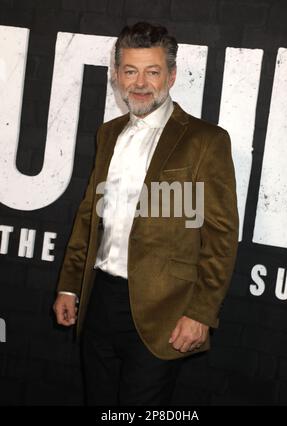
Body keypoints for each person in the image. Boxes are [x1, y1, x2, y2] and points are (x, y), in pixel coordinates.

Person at [53, 22, 239, 406]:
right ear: (116, 74)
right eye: (130, 71)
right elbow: (90, 215)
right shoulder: (109, 133)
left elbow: (219, 237)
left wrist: (201, 312)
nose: (140, 83)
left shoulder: (205, 141)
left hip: (164, 311)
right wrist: (70, 284)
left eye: (152, 71)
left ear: (171, 75)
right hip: (99, 299)